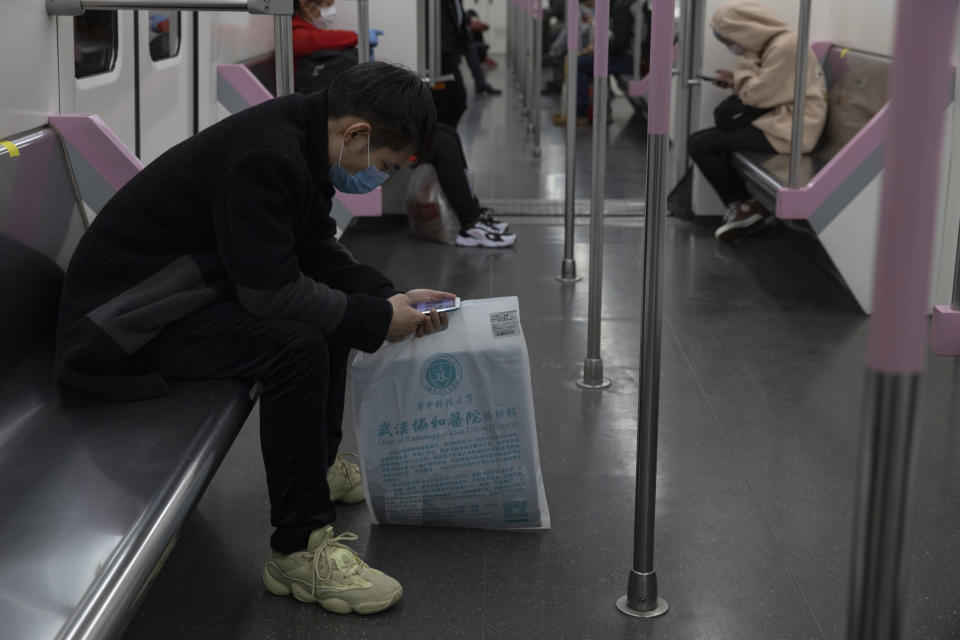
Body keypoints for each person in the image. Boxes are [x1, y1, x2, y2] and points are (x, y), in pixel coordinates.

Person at [56, 62, 454, 614]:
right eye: (383, 165)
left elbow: (312, 248)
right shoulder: (268, 157)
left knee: (333, 313)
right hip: (123, 325)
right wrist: (373, 319)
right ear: (357, 133)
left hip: (183, 296)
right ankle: (298, 549)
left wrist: (387, 296)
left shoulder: (306, 136)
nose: (379, 179)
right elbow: (272, 297)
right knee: (298, 343)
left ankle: (315, 465)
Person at [690, 1, 827, 242]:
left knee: (702, 144)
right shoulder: (776, 45)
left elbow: (757, 95)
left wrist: (745, 64)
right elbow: (771, 87)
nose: (734, 47)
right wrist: (736, 80)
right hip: (780, 121)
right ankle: (747, 206)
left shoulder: (786, 46)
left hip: (792, 130)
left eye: (731, 40)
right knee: (709, 140)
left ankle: (745, 207)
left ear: (745, 30)